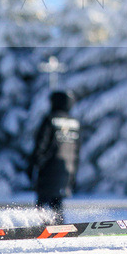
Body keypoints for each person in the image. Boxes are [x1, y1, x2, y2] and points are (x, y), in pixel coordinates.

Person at [28, 90, 80, 225]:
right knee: (57, 207)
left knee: (42, 208)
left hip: (48, 171)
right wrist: (73, 175)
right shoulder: (74, 123)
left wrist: (32, 165)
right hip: (67, 171)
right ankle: (59, 232)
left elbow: (41, 145)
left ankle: (44, 233)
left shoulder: (50, 119)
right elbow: (77, 152)